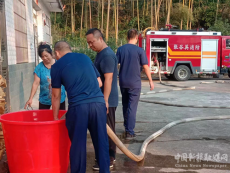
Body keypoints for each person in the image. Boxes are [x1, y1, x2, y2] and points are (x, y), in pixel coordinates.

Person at [51, 41, 110, 173]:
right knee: (101, 142)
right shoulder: (85, 57)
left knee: (78, 146)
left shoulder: (57, 66)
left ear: (57, 53)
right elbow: (99, 82)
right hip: (98, 104)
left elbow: (55, 96)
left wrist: (55, 118)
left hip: (79, 107)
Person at [86, 28, 118, 170]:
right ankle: (103, 156)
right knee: (102, 129)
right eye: (88, 43)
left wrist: (105, 101)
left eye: (92, 42)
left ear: (100, 39)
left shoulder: (107, 56)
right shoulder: (100, 53)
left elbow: (109, 79)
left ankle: (109, 158)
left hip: (107, 100)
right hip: (102, 99)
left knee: (108, 129)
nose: (90, 46)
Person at [116, 29, 154, 139]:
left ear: (127, 37)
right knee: (132, 107)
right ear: (137, 38)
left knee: (125, 105)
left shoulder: (120, 49)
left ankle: (126, 126)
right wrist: (151, 81)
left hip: (123, 82)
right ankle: (129, 131)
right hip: (135, 83)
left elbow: (115, 64)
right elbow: (146, 67)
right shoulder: (139, 51)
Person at [24, 42, 66, 110]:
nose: (45, 58)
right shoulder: (39, 68)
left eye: (46, 55)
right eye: (42, 56)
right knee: (43, 119)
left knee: (60, 119)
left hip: (59, 99)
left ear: (51, 53)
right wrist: (30, 98)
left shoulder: (59, 64)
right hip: (45, 100)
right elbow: (36, 83)